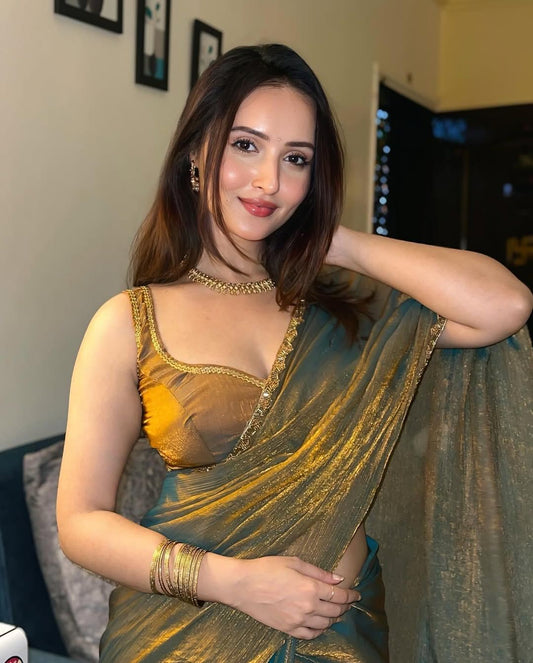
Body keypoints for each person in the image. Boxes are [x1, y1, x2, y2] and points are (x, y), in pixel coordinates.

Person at [56, 44, 533, 662]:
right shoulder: (129, 322)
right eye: (245, 145)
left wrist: (337, 242)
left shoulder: (349, 308)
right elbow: (81, 522)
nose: (269, 182)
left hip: (341, 635)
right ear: (197, 152)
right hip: (183, 636)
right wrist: (234, 583)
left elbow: (504, 305)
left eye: (296, 159)